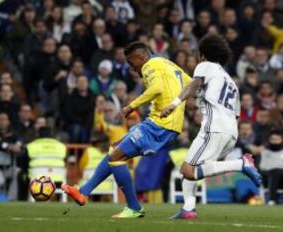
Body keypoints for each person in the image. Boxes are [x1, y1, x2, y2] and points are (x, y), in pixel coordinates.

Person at [62, 41, 191, 218]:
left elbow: (156, 88)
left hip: (160, 124)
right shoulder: (167, 63)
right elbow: (191, 84)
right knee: (115, 150)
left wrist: (130, 106)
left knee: (116, 156)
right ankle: (83, 192)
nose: (132, 68)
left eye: (132, 62)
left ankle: (134, 207)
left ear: (142, 56)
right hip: (162, 123)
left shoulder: (149, 65)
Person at [160, 34, 261, 219]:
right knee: (192, 166)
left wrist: (174, 103)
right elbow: (235, 112)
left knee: (188, 170)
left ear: (203, 54)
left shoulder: (205, 66)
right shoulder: (230, 81)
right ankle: (188, 209)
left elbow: (194, 84)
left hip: (214, 128)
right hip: (230, 132)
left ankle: (241, 164)